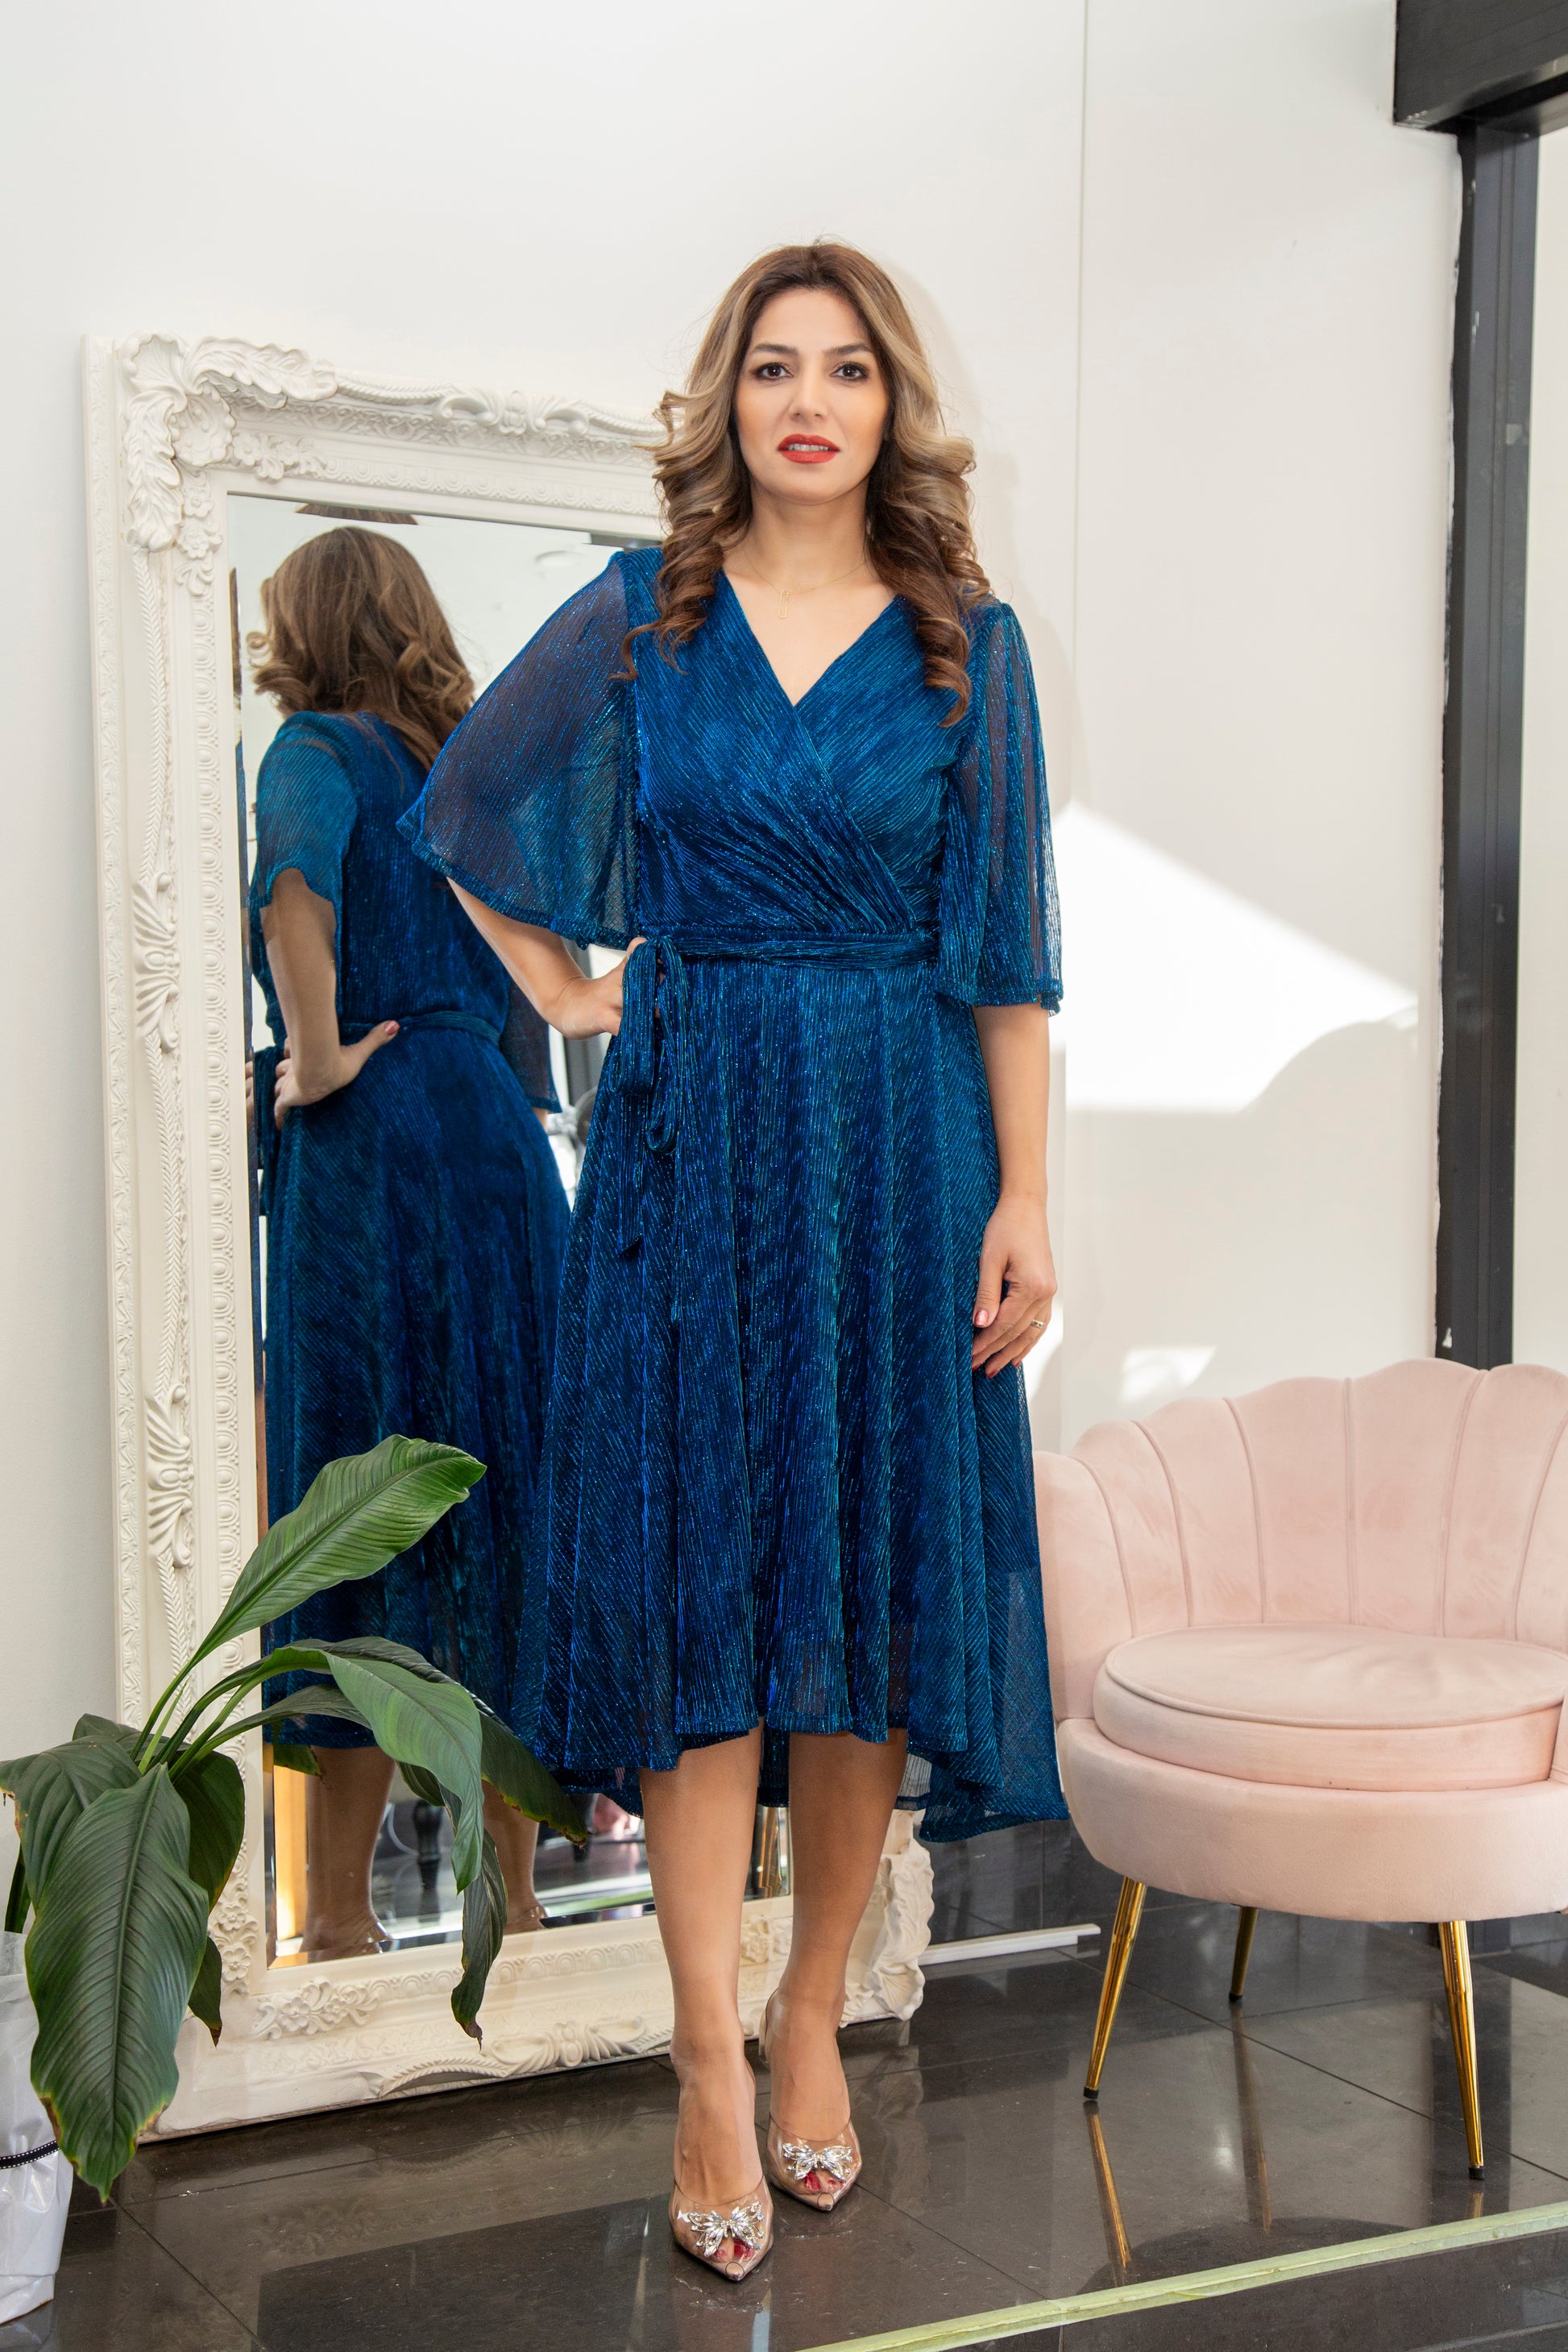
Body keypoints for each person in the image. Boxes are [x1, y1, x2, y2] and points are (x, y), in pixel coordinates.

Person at [401, 242, 1064, 2281]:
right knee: (702, 1597)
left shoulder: (969, 644)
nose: (807, 400)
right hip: (693, 1142)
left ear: (887, 407)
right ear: (730, 402)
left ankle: (809, 2011)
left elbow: (1011, 960)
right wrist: (577, 994)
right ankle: (701, 2048)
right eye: (772, 367)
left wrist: (1027, 1195)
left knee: (857, 1604)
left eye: (845, 369)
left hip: (897, 1136)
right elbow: (461, 808)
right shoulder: (639, 618)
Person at [248, 528, 570, 1960]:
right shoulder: (465, 769)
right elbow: (534, 976)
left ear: (310, 624)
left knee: (351, 1510)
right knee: (499, 1501)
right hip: (492, 1143)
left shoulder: (313, 748)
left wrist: (312, 1056)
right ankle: (524, 1892)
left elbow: (292, 889)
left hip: (373, 1148)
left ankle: (329, 1923)